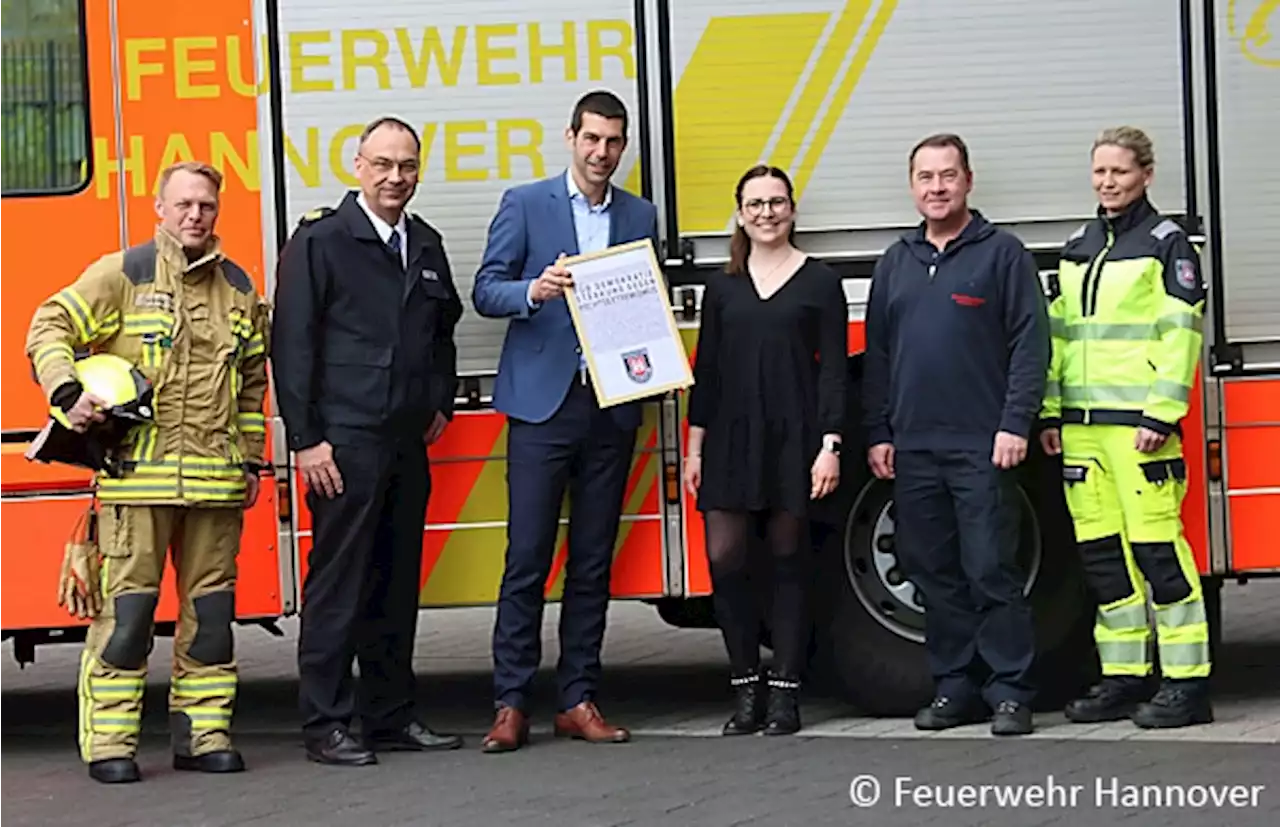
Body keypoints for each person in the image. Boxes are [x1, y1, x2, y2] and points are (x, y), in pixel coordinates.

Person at [25, 160, 270, 783]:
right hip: (137, 483)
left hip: (216, 487)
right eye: (183, 204)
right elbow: (48, 324)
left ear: (218, 213)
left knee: (211, 620)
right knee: (128, 617)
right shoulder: (124, 273)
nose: (195, 215)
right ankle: (111, 745)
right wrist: (64, 390)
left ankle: (202, 733)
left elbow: (251, 386)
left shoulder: (241, 289)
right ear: (159, 208)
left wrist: (248, 462)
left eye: (206, 206)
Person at [271, 116, 465, 766]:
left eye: (406, 165)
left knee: (394, 585)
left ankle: (389, 715)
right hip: (343, 446)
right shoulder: (322, 242)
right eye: (382, 164)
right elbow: (291, 346)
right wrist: (306, 440)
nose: (395, 177)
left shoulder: (427, 244)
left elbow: (443, 330)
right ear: (357, 164)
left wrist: (439, 396)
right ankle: (326, 723)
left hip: (406, 444)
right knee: (338, 588)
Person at [471, 89, 659, 753]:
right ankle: (510, 703)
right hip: (542, 406)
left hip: (610, 405)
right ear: (571, 138)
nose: (602, 152)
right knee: (525, 559)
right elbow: (485, 289)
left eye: (613, 142)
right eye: (592, 139)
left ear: (622, 146)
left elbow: (643, 302)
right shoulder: (526, 204)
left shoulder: (639, 213)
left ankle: (578, 697)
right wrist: (534, 291)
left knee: (591, 563)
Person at [862, 133, 1049, 736]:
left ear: (969, 180)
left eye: (947, 176)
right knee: (930, 568)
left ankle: (1011, 691)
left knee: (991, 566)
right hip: (914, 447)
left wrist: (1014, 423)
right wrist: (879, 432)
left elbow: (1030, 344)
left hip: (982, 445)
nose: (936, 188)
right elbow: (879, 354)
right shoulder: (897, 261)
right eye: (925, 177)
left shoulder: (1003, 255)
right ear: (912, 185)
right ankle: (954, 688)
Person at [1039, 126, 1212, 729]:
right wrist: (1050, 412)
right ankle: (1124, 678)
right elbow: (1059, 339)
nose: (1108, 182)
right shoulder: (1079, 246)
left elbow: (1180, 333)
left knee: (1159, 553)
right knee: (1105, 560)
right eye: (1099, 172)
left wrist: (1161, 413)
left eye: (1119, 171)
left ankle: (1187, 686)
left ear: (1145, 175)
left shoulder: (1168, 245)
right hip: (1083, 432)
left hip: (1140, 430)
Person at [682, 164, 846, 736]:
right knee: (727, 561)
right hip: (729, 440)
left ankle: (785, 695)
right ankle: (744, 688)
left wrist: (830, 446)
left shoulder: (821, 282)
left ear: (792, 211)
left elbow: (833, 377)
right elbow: (707, 372)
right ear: (740, 213)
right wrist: (694, 449)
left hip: (794, 441)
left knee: (787, 564)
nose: (767, 213)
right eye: (755, 204)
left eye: (776, 202)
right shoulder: (722, 287)